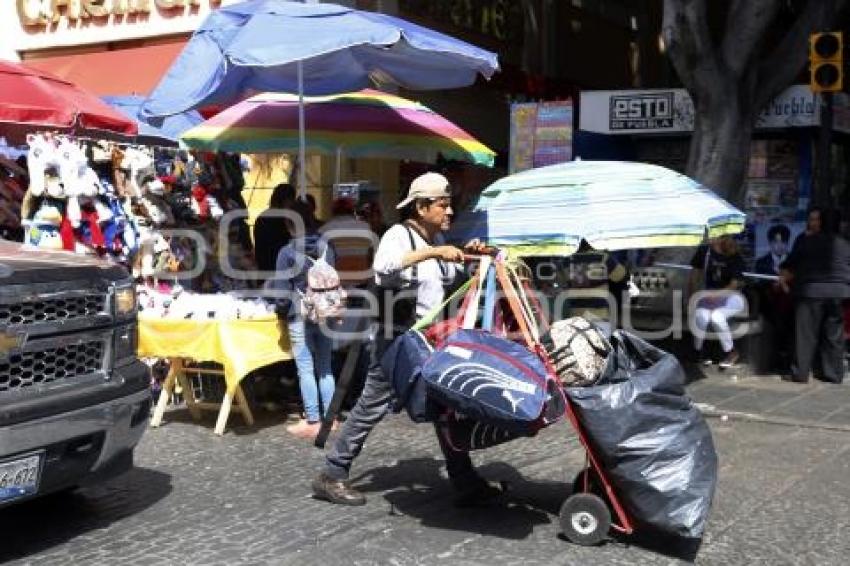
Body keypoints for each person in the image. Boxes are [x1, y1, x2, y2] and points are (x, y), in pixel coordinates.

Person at [311, 172, 493, 507]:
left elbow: (451, 284)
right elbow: (384, 267)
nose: (450, 212)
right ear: (422, 207)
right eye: (443, 205)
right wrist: (435, 252)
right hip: (396, 343)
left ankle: (464, 479)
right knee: (370, 407)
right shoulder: (400, 235)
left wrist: (472, 258)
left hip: (427, 344)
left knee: (445, 409)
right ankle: (332, 473)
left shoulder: (435, 242)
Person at [268, 202, 337, 439]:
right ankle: (332, 417)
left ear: (290, 225)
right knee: (326, 368)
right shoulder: (328, 247)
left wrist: (280, 313)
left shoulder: (287, 253)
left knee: (305, 369)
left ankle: (313, 419)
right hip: (326, 313)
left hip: (299, 315)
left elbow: (282, 292)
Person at [779, 208, 850, 384]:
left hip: (810, 291)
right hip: (838, 293)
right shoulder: (845, 244)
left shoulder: (807, 241)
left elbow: (789, 264)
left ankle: (800, 373)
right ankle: (833, 374)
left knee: (805, 335)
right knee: (834, 334)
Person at [689, 235, 747, 369]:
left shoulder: (734, 255)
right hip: (708, 295)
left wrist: (717, 294)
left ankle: (731, 352)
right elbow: (694, 276)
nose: (710, 237)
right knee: (701, 317)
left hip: (732, 297)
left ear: (724, 237)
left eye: (715, 235)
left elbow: (734, 284)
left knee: (717, 317)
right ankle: (698, 351)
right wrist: (692, 297)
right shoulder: (705, 251)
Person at [319, 197, 375, 287]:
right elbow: (371, 254)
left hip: (337, 284)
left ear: (333, 212)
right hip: (362, 282)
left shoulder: (324, 230)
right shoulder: (365, 227)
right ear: (352, 211)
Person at [253, 183, 295, 274]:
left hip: (264, 269)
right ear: (286, 200)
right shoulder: (280, 219)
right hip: (277, 269)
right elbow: (285, 244)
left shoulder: (262, 217)